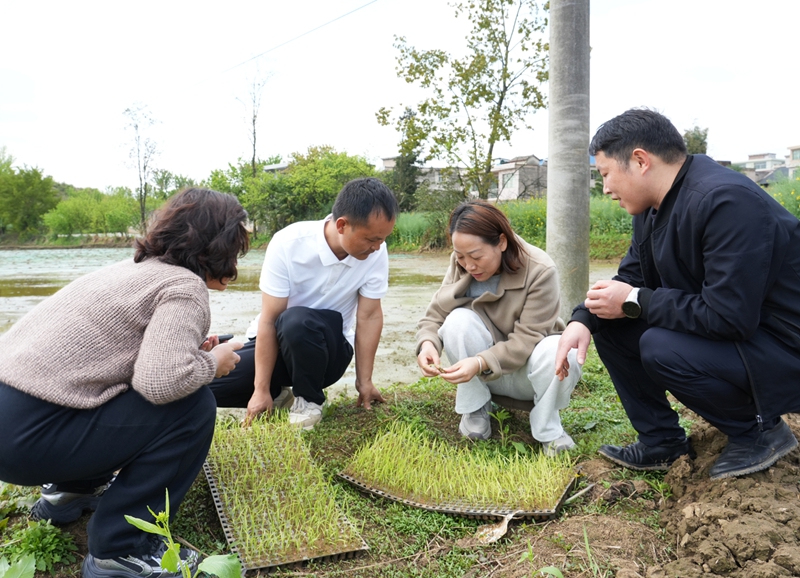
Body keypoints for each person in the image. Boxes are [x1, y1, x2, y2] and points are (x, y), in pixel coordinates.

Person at [0, 188, 248, 578]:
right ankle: (120, 549)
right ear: (220, 247)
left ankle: (70, 491)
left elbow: (103, 360)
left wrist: (189, 351)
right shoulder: (184, 287)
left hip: (16, 422)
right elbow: (161, 383)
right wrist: (211, 363)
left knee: (111, 387)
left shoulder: (126, 270)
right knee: (193, 406)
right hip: (28, 440)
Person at [555, 108, 800, 479]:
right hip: (747, 336)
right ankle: (662, 442)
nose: (606, 188)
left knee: (658, 344)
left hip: (783, 345)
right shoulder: (653, 208)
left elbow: (728, 316)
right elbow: (632, 276)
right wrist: (583, 319)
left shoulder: (727, 202)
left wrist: (636, 300)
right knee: (612, 324)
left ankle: (760, 432)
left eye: (605, 174)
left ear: (640, 161)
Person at [209, 177, 399, 428]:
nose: (377, 247)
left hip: (327, 354)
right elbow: (268, 320)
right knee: (207, 385)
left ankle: (309, 399)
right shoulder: (288, 243)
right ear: (342, 225)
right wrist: (261, 389)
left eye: (383, 239)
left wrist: (364, 381)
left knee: (296, 321)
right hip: (278, 344)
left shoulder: (375, 253)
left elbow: (369, 316)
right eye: (371, 239)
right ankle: (280, 394)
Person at [416, 200, 581, 455]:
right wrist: (428, 343)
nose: (469, 266)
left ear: (501, 242)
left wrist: (479, 362)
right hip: (484, 376)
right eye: (460, 256)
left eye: (476, 256)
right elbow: (436, 313)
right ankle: (476, 411)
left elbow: (526, 340)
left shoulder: (540, 269)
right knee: (457, 321)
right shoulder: (461, 263)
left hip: (528, 373)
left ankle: (549, 429)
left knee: (560, 349)